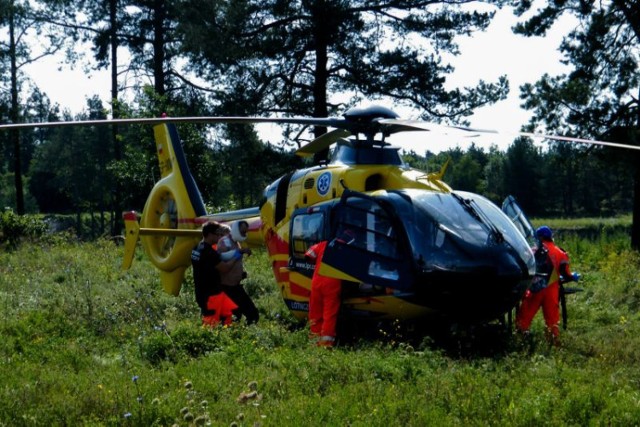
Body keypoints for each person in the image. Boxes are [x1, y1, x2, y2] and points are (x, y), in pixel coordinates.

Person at [516, 225, 580, 345]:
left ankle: (521, 341)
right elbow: (565, 274)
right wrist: (573, 276)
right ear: (551, 237)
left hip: (536, 289)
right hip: (551, 291)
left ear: (539, 237)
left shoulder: (533, 250)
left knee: (524, 318)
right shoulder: (560, 253)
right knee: (552, 320)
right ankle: (553, 343)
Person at [304, 229, 355, 347]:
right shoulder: (347, 250)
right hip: (332, 284)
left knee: (315, 312)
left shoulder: (324, 244)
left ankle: (314, 341)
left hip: (317, 282)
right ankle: (326, 343)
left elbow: (309, 254)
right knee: (329, 314)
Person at [191, 221, 242, 327]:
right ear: (210, 234)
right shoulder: (209, 252)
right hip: (210, 295)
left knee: (231, 316)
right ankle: (208, 341)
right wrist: (236, 256)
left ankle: (229, 337)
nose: (220, 237)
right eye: (217, 234)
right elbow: (225, 268)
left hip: (203, 291)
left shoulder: (197, 248)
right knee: (210, 326)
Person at [217, 220, 259, 325]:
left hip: (235, 284)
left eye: (245, 232)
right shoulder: (224, 241)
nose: (244, 234)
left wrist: (241, 273)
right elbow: (221, 257)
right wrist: (240, 252)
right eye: (242, 231)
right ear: (236, 229)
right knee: (250, 314)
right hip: (228, 287)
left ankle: (238, 333)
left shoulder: (236, 243)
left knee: (246, 314)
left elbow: (235, 261)